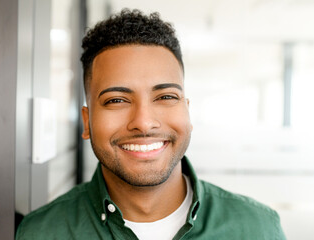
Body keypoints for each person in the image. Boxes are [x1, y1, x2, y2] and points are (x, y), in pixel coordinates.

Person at [16, 9, 286, 240]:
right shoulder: (41, 232)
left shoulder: (258, 228)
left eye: (166, 97)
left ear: (187, 113)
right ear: (87, 122)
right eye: (117, 100)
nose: (144, 122)